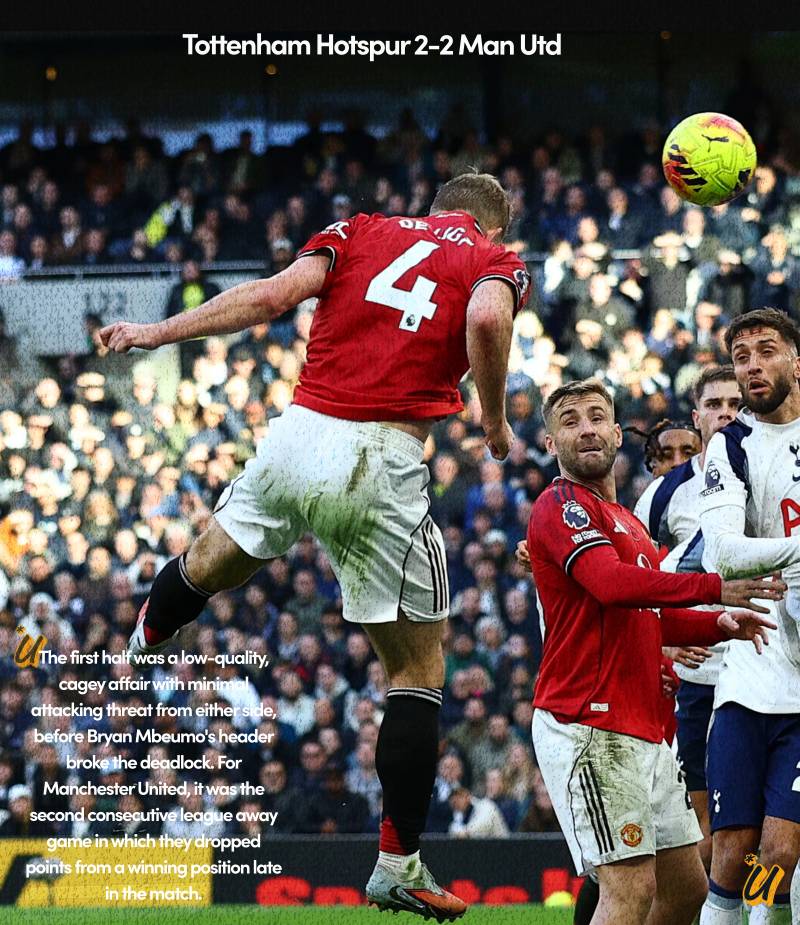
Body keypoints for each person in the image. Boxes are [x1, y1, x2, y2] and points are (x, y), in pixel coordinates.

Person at [98, 171, 531, 923]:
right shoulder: (493, 258)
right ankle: (397, 863)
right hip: (379, 456)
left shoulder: (362, 228)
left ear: (433, 208)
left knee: (211, 562)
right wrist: (493, 421)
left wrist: (153, 332)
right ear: (492, 223)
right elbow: (490, 323)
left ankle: (143, 639)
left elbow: (269, 297)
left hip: (297, 433)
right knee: (418, 669)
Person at [526, 378, 781, 925]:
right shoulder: (560, 506)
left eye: (597, 417)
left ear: (618, 433)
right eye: (570, 421)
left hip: (642, 730)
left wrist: (718, 624)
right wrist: (714, 589)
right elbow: (613, 586)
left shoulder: (630, 525)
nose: (587, 429)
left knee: (686, 887)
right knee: (629, 891)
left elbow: (648, 617)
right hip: (588, 724)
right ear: (551, 445)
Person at [698, 308, 800, 925]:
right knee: (732, 852)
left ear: (797, 361)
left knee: (782, 849)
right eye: (742, 357)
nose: (754, 365)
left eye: (766, 350)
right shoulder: (730, 444)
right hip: (750, 667)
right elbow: (723, 552)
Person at [633, 365, 742, 874]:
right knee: (702, 828)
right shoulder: (662, 494)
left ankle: (762, 906)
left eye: (735, 403)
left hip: (762, 665)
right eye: (715, 404)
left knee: (762, 832)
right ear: (696, 416)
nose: (726, 413)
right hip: (697, 677)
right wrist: (664, 645)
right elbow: (634, 579)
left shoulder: (774, 468)